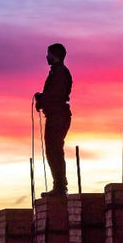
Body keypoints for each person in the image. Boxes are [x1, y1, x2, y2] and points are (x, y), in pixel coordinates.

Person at [34, 43, 72, 197]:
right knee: (53, 150)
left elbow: (55, 95)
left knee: (54, 150)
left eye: (48, 53)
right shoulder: (57, 72)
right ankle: (59, 186)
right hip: (56, 115)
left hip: (58, 116)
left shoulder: (60, 73)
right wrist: (42, 99)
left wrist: (42, 98)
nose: (46, 56)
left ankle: (60, 187)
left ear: (55, 54)